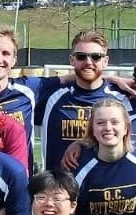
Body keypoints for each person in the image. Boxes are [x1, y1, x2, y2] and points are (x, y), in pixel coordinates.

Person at [39, 30, 129, 172]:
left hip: (103, 181)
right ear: (72, 60)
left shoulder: (122, 99)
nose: (88, 62)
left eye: (96, 57)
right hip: (60, 184)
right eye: (81, 56)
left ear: (105, 62)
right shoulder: (52, 96)